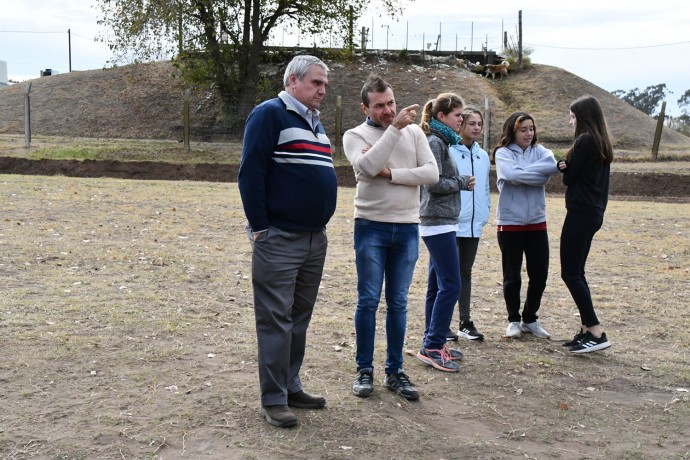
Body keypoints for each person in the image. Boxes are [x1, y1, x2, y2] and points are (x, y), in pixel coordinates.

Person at [237, 55, 337, 428]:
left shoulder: (316, 123)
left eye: (324, 84)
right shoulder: (269, 114)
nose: (322, 90)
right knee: (276, 320)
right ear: (293, 81)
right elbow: (251, 172)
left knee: (298, 319)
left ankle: (291, 384)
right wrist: (261, 228)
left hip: (314, 239)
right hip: (279, 239)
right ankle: (274, 398)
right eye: (316, 83)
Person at [343, 74, 439, 400]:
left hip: (408, 226)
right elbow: (368, 166)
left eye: (391, 103)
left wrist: (394, 174)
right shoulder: (355, 134)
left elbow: (431, 173)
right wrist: (394, 131)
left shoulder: (414, 132)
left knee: (398, 302)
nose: (388, 110)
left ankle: (395, 371)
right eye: (380, 105)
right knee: (368, 300)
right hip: (371, 225)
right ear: (365, 107)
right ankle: (364, 370)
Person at [416, 94, 475, 373]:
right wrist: (461, 182)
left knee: (437, 285)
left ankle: (432, 340)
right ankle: (433, 345)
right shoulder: (435, 142)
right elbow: (432, 183)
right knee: (451, 284)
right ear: (442, 116)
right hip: (436, 220)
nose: (461, 119)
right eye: (457, 115)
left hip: (442, 221)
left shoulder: (443, 141)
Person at [492, 112, 559, 339]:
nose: (528, 133)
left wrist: (522, 175)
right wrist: (534, 174)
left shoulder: (541, 152)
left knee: (539, 274)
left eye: (531, 128)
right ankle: (513, 320)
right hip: (510, 222)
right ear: (512, 130)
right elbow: (510, 174)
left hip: (537, 222)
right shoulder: (502, 153)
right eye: (523, 129)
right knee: (512, 276)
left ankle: (530, 318)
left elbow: (549, 170)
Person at [557, 95, 614, 354]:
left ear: (582, 117)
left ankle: (595, 329)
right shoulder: (602, 142)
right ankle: (585, 329)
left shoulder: (585, 140)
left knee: (570, 272)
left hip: (580, 212)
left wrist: (564, 166)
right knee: (577, 271)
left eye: (572, 116)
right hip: (594, 212)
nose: (571, 121)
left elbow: (569, 178)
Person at [447, 107, 491, 342]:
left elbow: (484, 188)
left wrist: (484, 213)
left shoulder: (483, 156)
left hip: (474, 225)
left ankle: (465, 322)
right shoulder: (449, 151)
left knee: (465, 273)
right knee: (446, 275)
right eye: (471, 123)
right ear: (461, 124)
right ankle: (442, 324)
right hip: (452, 223)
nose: (475, 127)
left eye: (479, 124)